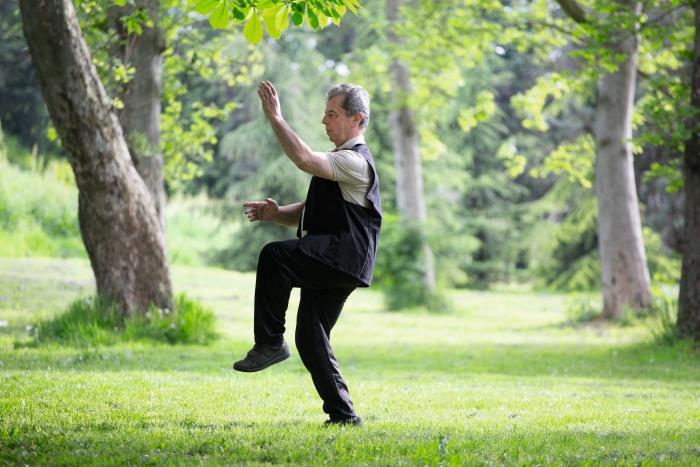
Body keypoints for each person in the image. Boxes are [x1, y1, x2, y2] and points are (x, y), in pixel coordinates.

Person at [232, 81, 382, 427]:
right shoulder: (341, 163)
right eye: (325, 113)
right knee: (311, 337)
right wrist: (276, 214)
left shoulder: (354, 161)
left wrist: (275, 117)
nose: (324, 120)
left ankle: (270, 343)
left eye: (332, 114)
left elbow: (302, 158)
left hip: (341, 255)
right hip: (341, 259)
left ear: (357, 119)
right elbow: (310, 211)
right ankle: (344, 416)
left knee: (274, 257)